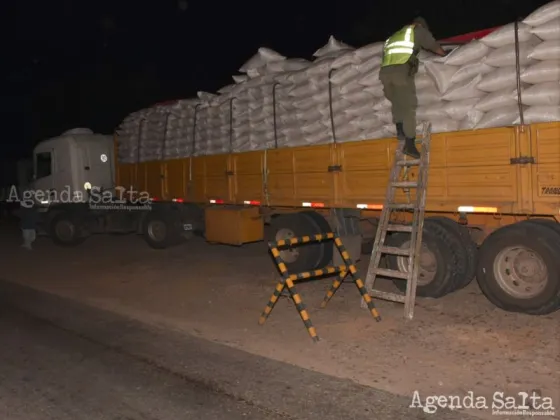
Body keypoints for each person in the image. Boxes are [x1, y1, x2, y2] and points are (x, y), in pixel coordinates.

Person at [379, 17, 448, 158]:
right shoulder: (417, 31)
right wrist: (446, 55)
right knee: (409, 107)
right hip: (401, 72)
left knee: (398, 102)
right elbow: (433, 46)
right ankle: (410, 144)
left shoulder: (395, 36)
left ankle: (400, 130)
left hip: (385, 74)